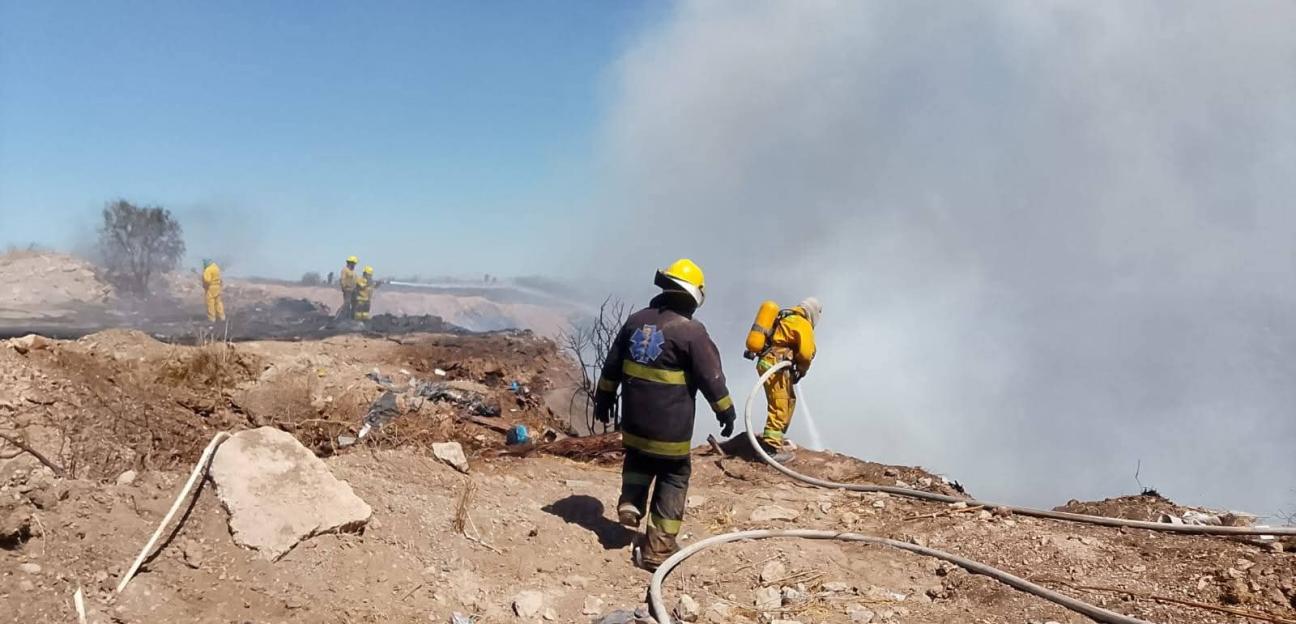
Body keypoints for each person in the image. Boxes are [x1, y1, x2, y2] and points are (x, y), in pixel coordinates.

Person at [593, 258, 736, 570]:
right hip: (671, 434)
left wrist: (602, 399)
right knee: (674, 476)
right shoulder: (692, 332)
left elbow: (610, 368)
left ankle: (630, 499)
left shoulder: (633, 322)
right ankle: (658, 550)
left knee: (639, 458)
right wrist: (726, 412)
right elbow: (712, 379)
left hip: (634, 425)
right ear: (693, 296)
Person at [756, 297, 821, 462]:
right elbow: (806, 354)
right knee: (780, 404)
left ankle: (776, 439)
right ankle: (769, 450)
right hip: (775, 364)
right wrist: (802, 369)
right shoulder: (802, 323)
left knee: (788, 400)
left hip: (770, 362)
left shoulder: (787, 317)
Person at [201, 258, 225, 323]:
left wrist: (203, 278)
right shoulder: (216, 267)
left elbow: (207, 280)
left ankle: (212, 318)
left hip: (211, 288)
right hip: (218, 287)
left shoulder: (208, 270)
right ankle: (222, 316)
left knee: (210, 303)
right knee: (218, 302)